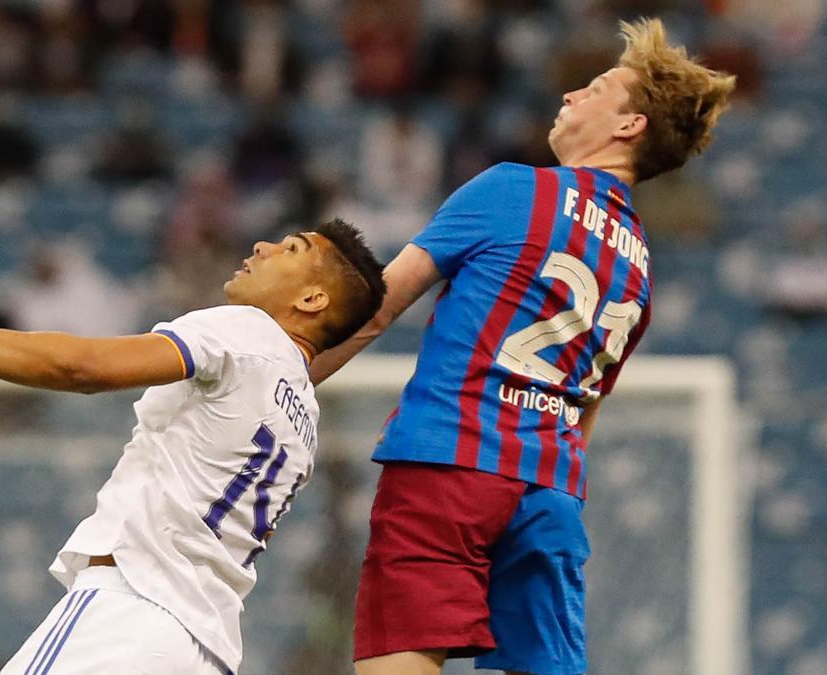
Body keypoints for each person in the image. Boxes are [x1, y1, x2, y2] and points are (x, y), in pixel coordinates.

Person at [308, 19, 736, 675]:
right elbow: (586, 407)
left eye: (595, 89)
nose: (570, 95)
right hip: (551, 490)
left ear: (629, 128)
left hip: (449, 462)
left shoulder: (513, 189)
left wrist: (279, 377)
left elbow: (374, 309)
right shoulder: (639, 267)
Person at [0, 220, 386, 674]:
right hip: (205, 648)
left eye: (291, 248)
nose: (263, 245)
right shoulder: (305, 414)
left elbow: (82, 367)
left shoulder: (245, 331)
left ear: (313, 298)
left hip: (129, 619)